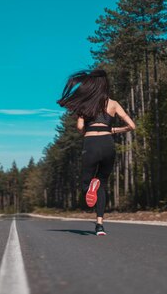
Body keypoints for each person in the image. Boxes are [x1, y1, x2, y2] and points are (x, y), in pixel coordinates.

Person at [57, 69, 135, 236]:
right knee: (102, 184)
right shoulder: (113, 103)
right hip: (108, 144)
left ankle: (90, 187)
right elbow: (131, 126)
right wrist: (113, 129)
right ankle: (99, 225)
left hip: (91, 143)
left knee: (87, 184)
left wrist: (88, 130)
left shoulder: (86, 104)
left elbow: (79, 127)